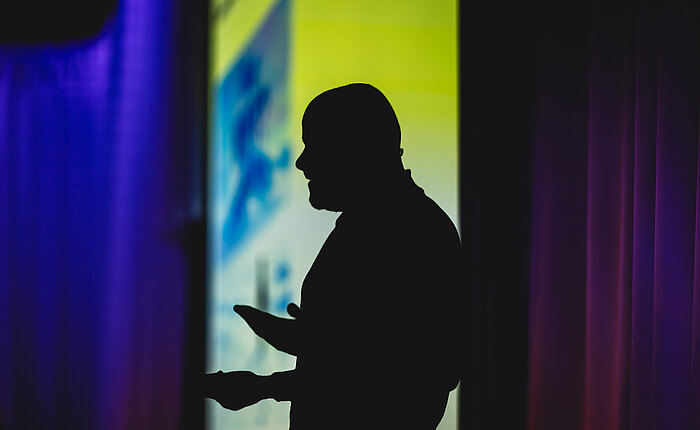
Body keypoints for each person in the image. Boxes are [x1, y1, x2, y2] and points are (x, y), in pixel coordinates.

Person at [202, 83, 463, 429]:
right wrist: (299, 336)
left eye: (315, 146)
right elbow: (362, 348)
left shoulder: (416, 232)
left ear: (355, 150)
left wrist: (263, 387)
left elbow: (403, 373)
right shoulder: (377, 225)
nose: (301, 162)